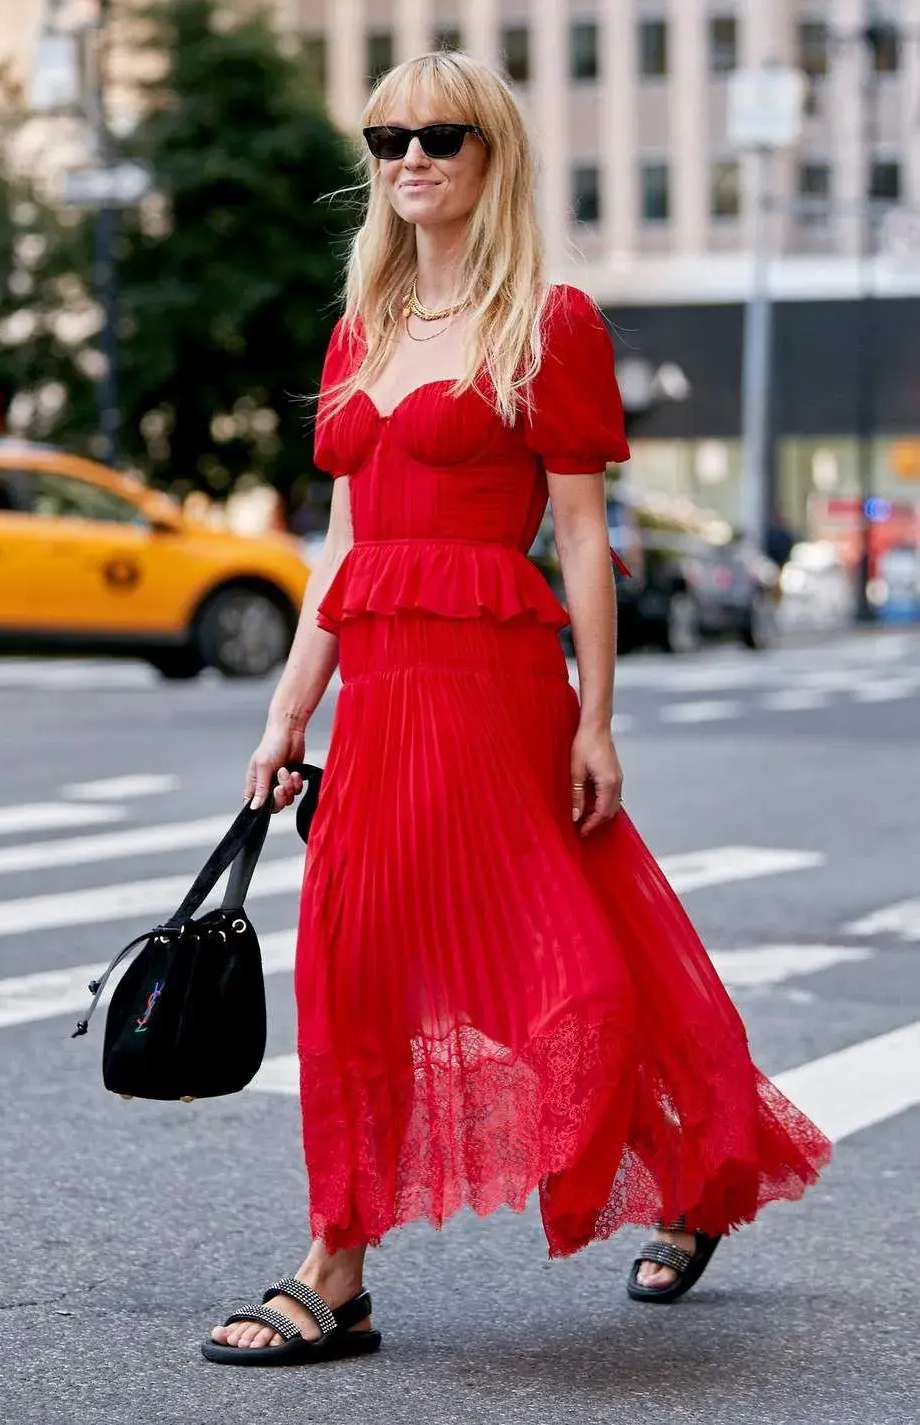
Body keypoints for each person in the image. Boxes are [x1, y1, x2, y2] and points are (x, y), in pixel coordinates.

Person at [202, 52, 831, 1367]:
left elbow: (585, 540)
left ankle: (694, 1173)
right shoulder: (360, 329)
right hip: (375, 693)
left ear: (493, 155)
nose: (410, 159)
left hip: (495, 693)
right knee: (351, 973)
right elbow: (338, 548)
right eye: (387, 140)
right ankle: (336, 1269)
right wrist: (285, 716)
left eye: (440, 135)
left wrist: (596, 718)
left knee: (579, 975)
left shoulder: (548, 322)